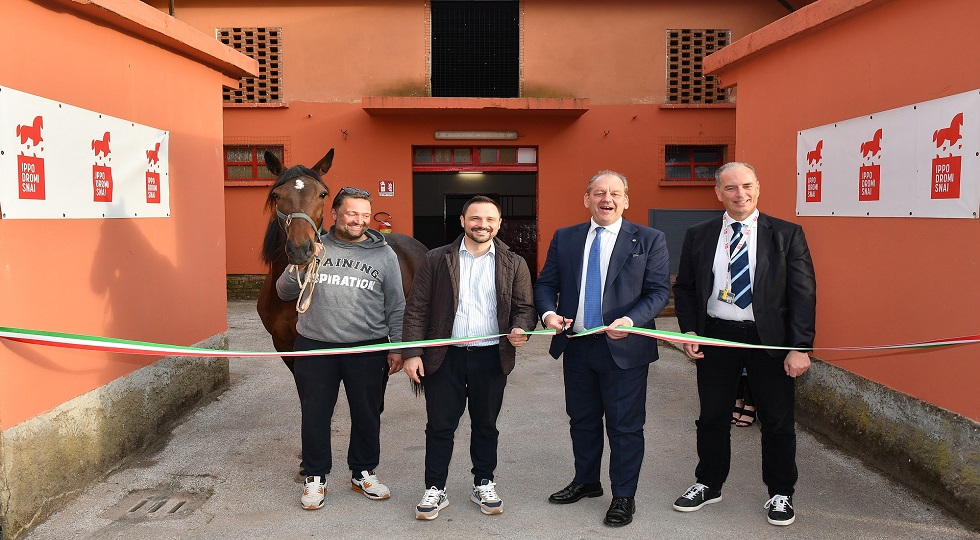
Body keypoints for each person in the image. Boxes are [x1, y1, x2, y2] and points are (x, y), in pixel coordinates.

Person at [671, 161, 816, 526]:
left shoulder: (786, 234)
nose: (741, 194)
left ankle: (781, 492)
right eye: (731, 188)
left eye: (747, 186)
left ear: (758, 187)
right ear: (718, 192)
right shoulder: (699, 234)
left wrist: (800, 347)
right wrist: (688, 331)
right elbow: (686, 288)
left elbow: (803, 295)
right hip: (717, 334)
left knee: (778, 418)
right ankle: (709, 483)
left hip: (769, 339)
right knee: (712, 415)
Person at [534, 170, 671, 527]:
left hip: (624, 349)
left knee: (625, 427)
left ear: (626, 200)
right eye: (599, 193)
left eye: (614, 193)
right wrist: (549, 314)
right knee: (582, 420)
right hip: (577, 345)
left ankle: (623, 495)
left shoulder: (649, 238)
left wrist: (632, 321)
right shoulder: (565, 238)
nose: (606, 199)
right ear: (587, 199)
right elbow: (546, 283)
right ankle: (586, 481)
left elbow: (658, 292)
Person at [402, 195, 536, 521]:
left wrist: (521, 329)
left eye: (490, 220)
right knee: (440, 426)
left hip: (491, 358)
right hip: (443, 357)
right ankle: (435, 488)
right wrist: (412, 353)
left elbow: (524, 309)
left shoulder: (513, 263)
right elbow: (416, 309)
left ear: (499, 224)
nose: (482, 225)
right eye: (475, 219)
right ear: (462, 221)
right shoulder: (436, 260)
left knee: (486, 425)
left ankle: (484, 482)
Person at [276, 186, 406, 511]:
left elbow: (397, 306)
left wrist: (398, 346)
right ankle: (315, 477)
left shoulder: (384, 255)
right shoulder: (315, 246)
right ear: (335, 214)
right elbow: (283, 291)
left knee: (367, 414)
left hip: (367, 347)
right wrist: (304, 263)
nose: (358, 220)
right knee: (315, 414)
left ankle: (363, 473)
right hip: (315, 345)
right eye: (351, 213)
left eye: (364, 214)